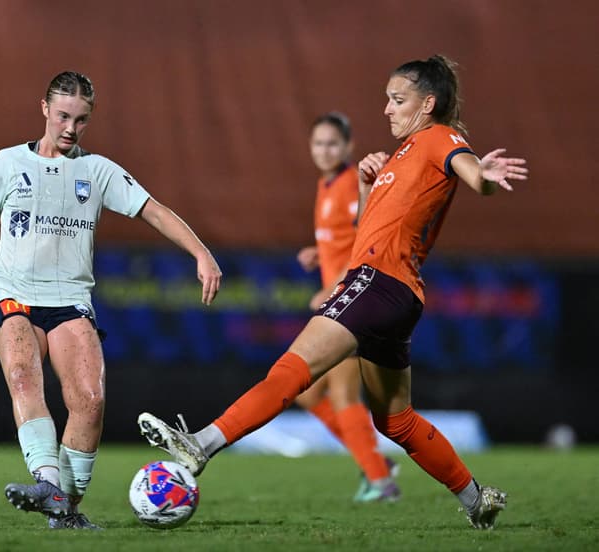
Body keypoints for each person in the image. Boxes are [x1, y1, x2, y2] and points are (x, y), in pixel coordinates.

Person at [138, 55, 527, 530]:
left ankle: (200, 445)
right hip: (399, 295)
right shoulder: (400, 155)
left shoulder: (438, 137)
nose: (386, 108)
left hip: (375, 282)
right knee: (396, 422)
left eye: (397, 99)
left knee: (289, 372)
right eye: (387, 98)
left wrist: (484, 175)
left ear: (428, 103)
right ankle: (475, 499)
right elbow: (369, 227)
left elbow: (472, 174)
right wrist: (366, 184)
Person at [0, 71, 222, 530]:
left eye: (81, 120)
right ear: (44, 108)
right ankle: (46, 480)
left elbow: (154, 210)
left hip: (71, 299)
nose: (70, 128)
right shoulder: (6, 163)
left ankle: (65, 508)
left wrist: (201, 253)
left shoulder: (97, 171)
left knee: (90, 401)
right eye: (62, 116)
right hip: (14, 293)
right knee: (23, 375)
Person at [293, 112, 399, 502]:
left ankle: (380, 480)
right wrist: (317, 253)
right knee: (307, 394)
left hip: (353, 300)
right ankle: (375, 463)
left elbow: (366, 239)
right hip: (340, 301)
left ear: (348, 147)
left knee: (342, 394)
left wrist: (336, 283)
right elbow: (340, 238)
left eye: (332, 143)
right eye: (318, 143)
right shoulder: (327, 184)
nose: (325, 150)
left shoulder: (351, 185)